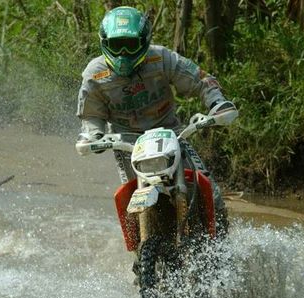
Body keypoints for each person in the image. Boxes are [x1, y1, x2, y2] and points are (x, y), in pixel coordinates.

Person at [76, 6, 236, 235]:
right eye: (116, 45)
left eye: (129, 45)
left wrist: (217, 104)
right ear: (104, 43)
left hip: (171, 134)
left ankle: (221, 250)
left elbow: (201, 81)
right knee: (129, 197)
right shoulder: (95, 73)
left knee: (212, 193)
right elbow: (91, 114)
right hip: (127, 144)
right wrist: (93, 134)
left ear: (144, 41)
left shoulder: (162, 58)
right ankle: (140, 253)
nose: (122, 53)